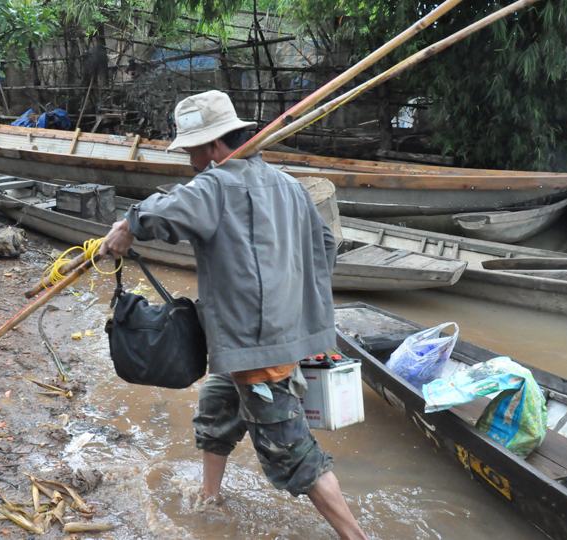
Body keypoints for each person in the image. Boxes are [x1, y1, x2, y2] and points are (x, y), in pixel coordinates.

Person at [100, 90, 368, 539]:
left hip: (258, 349)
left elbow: (162, 214)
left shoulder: (215, 183)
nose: (188, 158)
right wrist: (290, 301)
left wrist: (126, 226)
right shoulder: (287, 185)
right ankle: (210, 497)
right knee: (216, 407)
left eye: (190, 148)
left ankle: (356, 537)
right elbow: (324, 246)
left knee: (293, 455)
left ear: (212, 146)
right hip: (258, 336)